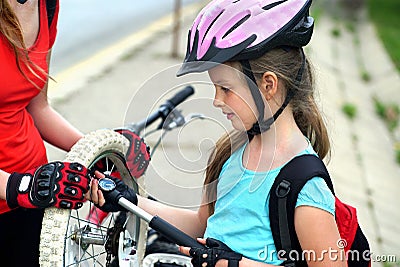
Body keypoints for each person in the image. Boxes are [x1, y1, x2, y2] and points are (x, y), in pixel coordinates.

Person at [90, 0, 346, 266]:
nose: (216, 100)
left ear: (268, 85)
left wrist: (234, 263)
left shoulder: (303, 184)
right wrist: (129, 201)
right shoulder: (232, 152)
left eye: (225, 88)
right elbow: (201, 223)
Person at [0, 0, 91, 266]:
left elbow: (37, 108)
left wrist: (102, 151)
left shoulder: (46, 5)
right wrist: (20, 186)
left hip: (33, 197)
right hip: (22, 188)